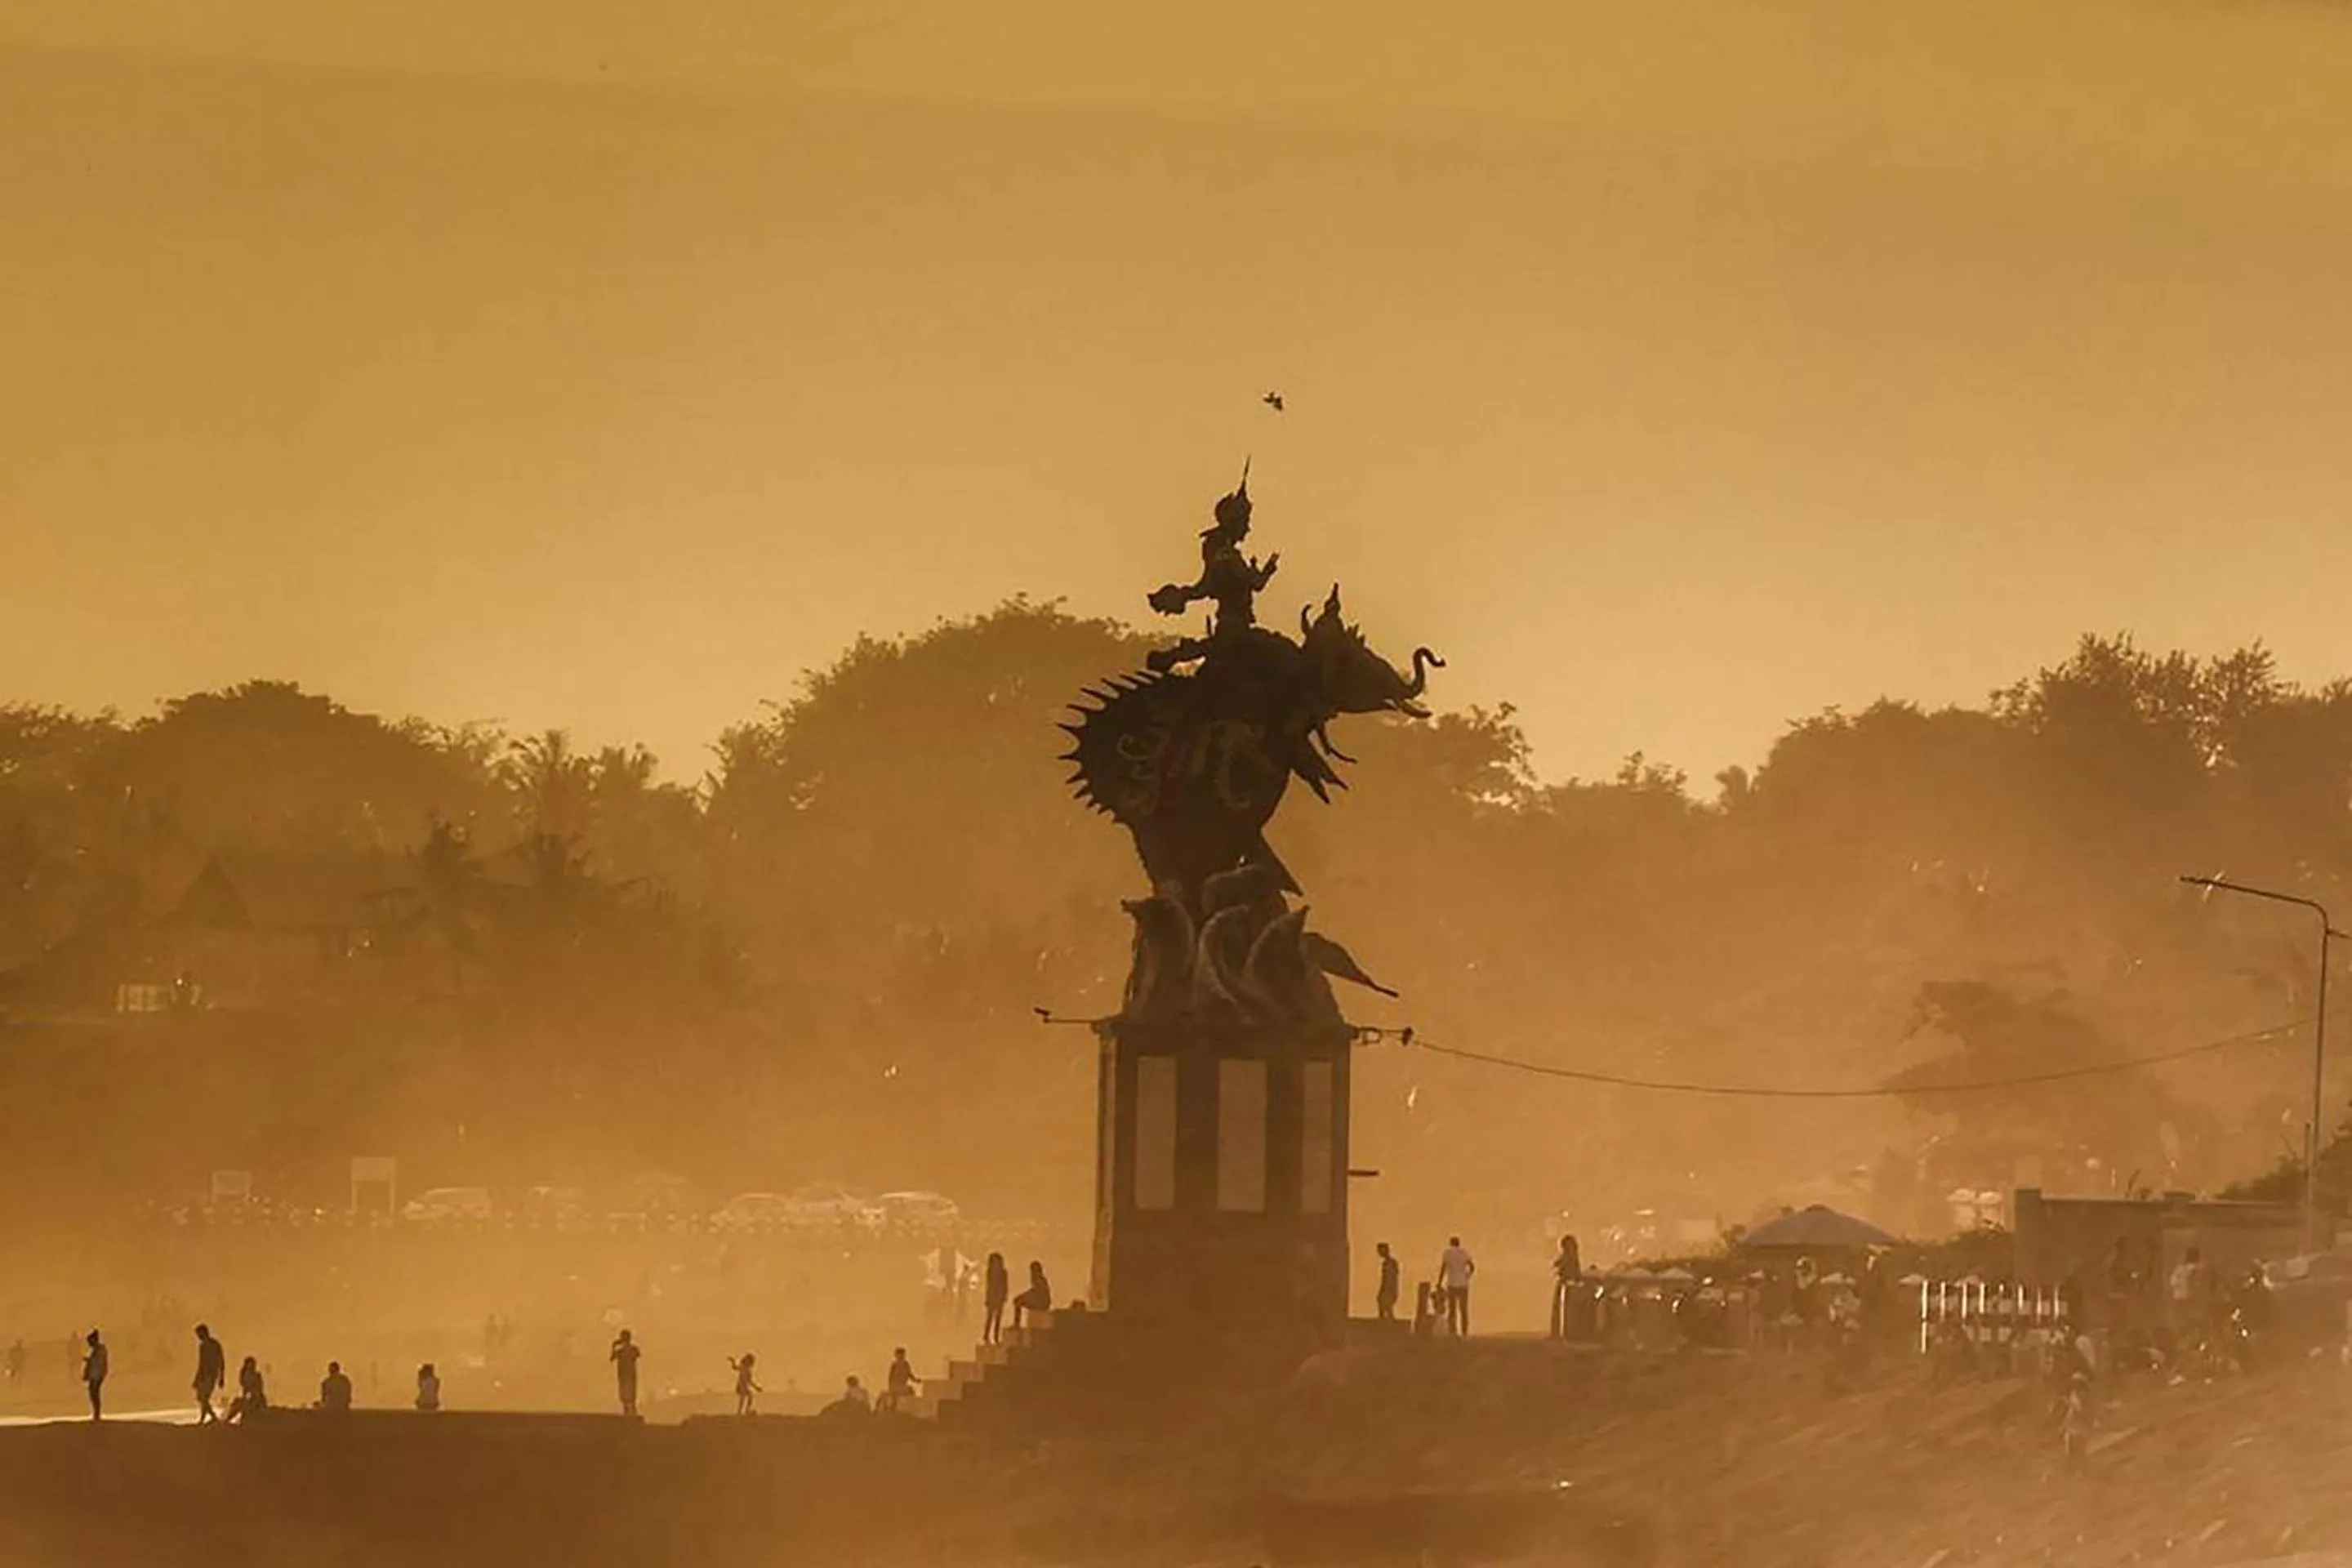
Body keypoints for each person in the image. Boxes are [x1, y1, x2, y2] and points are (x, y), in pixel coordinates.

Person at [1438, 1236, 1475, 1337]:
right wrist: (1468, 1275)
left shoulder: (1447, 1253)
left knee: (1452, 1309)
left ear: (1451, 1243)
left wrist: (1439, 1282)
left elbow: (1443, 1268)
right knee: (1463, 1309)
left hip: (1452, 1283)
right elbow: (1472, 1266)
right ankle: (1464, 1331)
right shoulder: (1464, 1253)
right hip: (1463, 1284)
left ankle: (1453, 1331)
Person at [1550, 1234, 1584, 1339]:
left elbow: (1559, 1265)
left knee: (1562, 1310)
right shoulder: (1572, 1257)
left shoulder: (1569, 1257)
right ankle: (1559, 1332)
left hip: (1567, 1286)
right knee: (1561, 1310)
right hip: (1568, 1285)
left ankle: (1560, 1333)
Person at [193, 1323, 227, 1425]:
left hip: (211, 1375)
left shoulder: (215, 1345)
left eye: (199, 1334)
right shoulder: (202, 1346)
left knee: (204, 1398)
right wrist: (197, 1378)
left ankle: (209, 1418)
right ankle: (210, 1417)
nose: (198, 1337)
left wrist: (222, 1377)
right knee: (201, 1398)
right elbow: (201, 1363)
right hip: (204, 1375)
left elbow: (221, 1361)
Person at [610, 1329, 643, 1416]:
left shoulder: (633, 1349)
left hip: (630, 1374)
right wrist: (613, 1347)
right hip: (623, 1375)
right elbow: (612, 1358)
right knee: (624, 1396)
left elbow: (637, 1355)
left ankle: (632, 1413)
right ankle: (626, 1413)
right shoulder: (620, 1351)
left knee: (631, 1395)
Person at [1013, 1260, 1052, 1331]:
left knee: (1017, 1301)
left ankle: (1017, 1324)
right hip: (1039, 1301)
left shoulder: (1040, 1280)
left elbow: (1038, 1292)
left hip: (1041, 1303)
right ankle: (1016, 1324)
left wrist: (1024, 1296)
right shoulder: (1039, 1279)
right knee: (1018, 1301)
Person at [228, 1356, 267, 1423]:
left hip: (256, 1397)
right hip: (248, 1396)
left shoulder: (257, 1375)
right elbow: (244, 1386)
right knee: (240, 1405)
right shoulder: (245, 1375)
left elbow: (259, 1388)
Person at [983, 1252, 1010, 1345]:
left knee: (998, 1318)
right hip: (992, 1296)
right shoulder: (990, 1272)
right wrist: (987, 1298)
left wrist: (1005, 1295)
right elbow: (989, 1286)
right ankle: (986, 1336)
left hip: (999, 1296)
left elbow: (1005, 1285)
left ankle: (996, 1336)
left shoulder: (1003, 1272)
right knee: (990, 1317)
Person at [80, 1330, 108, 1421]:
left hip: (97, 1375)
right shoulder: (99, 1350)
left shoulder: (99, 1350)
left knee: (94, 1394)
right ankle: (96, 1413)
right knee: (94, 1394)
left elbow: (97, 1363)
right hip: (96, 1375)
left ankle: (97, 1413)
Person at [884, 1348, 918, 1414]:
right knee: (894, 1398)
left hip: (903, 1386)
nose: (901, 1356)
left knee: (911, 1392)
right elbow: (891, 1377)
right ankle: (892, 1410)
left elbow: (909, 1374)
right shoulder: (894, 1365)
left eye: (903, 1355)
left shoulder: (906, 1365)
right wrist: (891, 1387)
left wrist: (916, 1380)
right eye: (899, 1355)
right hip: (896, 1386)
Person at [1374, 1242, 1401, 1324]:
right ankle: (1383, 1321)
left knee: (1386, 1306)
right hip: (1388, 1289)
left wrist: (1386, 1290)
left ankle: (1388, 1323)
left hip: (1389, 1289)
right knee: (1383, 1305)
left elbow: (1390, 1279)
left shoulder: (1391, 1263)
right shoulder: (1388, 1263)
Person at [730, 1352, 761, 1417]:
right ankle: (740, 1412)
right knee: (743, 1399)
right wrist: (732, 1361)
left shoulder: (748, 1370)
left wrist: (756, 1387)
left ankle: (746, 1411)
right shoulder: (742, 1367)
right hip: (741, 1386)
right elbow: (735, 1368)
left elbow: (750, 1381)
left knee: (750, 1397)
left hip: (745, 1386)